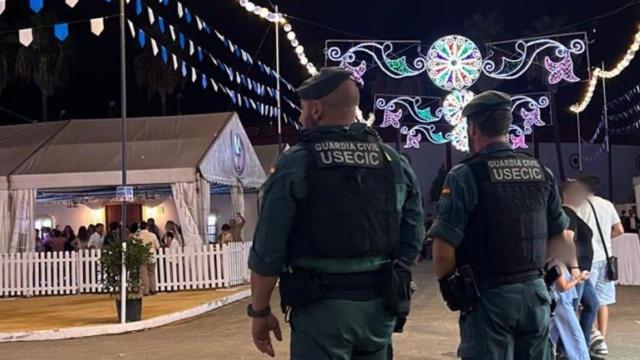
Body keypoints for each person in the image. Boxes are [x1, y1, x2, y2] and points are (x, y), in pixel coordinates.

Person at [248, 67, 424, 358]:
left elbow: (268, 250)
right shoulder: (392, 160)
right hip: (378, 309)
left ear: (316, 109)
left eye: (302, 109)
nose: (301, 117)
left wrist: (260, 311)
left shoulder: (296, 163)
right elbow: (413, 236)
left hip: (321, 313)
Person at [429, 90, 574, 359]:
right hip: (535, 294)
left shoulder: (465, 175)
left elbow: (443, 250)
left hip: (488, 297)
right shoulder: (541, 171)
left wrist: (454, 289)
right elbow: (560, 237)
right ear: (507, 126)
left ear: (472, 128)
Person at [575, 175, 624, 357]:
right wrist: (604, 240)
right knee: (603, 302)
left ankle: (589, 336)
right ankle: (601, 340)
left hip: (587, 259)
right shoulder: (607, 204)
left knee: (584, 302)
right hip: (606, 257)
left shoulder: (579, 205)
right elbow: (619, 230)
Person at [559, 180, 599, 347]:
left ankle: (580, 343)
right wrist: (575, 268)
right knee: (572, 308)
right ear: (566, 195)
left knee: (591, 304)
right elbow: (568, 241)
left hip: (582, 272)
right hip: (576, 271)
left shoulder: (572, 214)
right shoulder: (566, 213)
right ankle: (569, 347)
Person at [548, 259, 591, 360]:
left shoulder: (557, 263)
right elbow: (563, 287)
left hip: (561, 303)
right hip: (562, 304)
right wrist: (579, 277)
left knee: (551, 336)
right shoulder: (556, 264)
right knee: (575, 336)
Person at [138, 221, 160, 295]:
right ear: (147, 227)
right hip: (151, 256)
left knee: (144, 274)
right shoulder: (152, 235)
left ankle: (146, 291)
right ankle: (153, 289)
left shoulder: (138, 235)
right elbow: (157, 246)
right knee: (151, 273)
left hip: (142, 256)